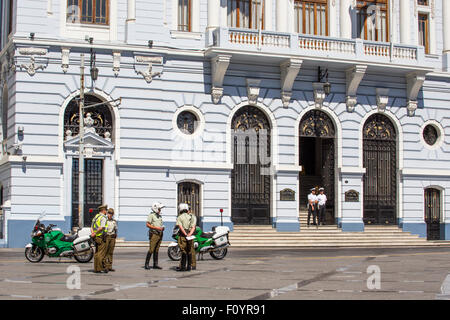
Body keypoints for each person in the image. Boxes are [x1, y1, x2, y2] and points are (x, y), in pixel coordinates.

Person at [176, 203, 196, 272]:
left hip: (182, 236)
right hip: (190, 235)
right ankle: (189, 267)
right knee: (189, 250)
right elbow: (193, 227)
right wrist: (189, 234)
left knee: (183, 250)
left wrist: (185, 234)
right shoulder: (190, 216)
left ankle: (183, 267)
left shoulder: (179, 217)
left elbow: (180, 227)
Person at [145, 202, 165, 270]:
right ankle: (146, 264)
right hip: (154, 234)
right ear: (155, 208)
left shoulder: (159, 216)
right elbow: (147, 224)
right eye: (159, 209)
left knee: (156, 250)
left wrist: (162, 228)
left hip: (160, 234)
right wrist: (156, 228)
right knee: (151, 249)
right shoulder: (151, 215)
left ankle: (155, 264)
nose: (160, 210)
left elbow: (159, 224)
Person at [91, 204, 109, 273]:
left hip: (96, 237)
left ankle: (96, 268)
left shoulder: (96, 217)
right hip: (101, 236)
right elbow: (101, 227)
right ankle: (99, 268)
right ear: (103, 210)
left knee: (97, 252)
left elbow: (92, 226)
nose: (106, 211)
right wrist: (95, 233)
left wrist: (93, 233)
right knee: (101, 253)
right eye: (106, 210)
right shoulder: (103, 217)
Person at [188, 207, 197, 271]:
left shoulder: (192, 217)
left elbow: (193, 226)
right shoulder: (184, 216)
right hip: (185, 233)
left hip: (190, 234)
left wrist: (190, 233)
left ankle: (193, 264)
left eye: (188, 210)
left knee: (191, 250)